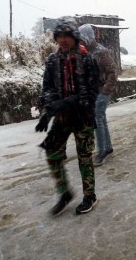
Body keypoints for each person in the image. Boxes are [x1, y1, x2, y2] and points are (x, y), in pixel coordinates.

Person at [35, 18, 98, 216]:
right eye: (59, 36)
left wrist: (64, 103)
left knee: (84, 158)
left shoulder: (87, 60)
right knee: (52, 153)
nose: (62, 40)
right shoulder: (53, 61)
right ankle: (64, 193)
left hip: (83, 117)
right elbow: (48, 88)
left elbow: (90, 93)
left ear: (74, 37)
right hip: (61, 118)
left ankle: (90, 196)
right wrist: (48, 111)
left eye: (66, 36)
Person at [78, 24, 118, 166]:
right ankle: (107, 147)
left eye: (82, 39)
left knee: (97, 119)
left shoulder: (101, 51)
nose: (80, 42)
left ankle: (101, 152)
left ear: (88, 37)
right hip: (95, 92)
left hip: (102, 92)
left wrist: (105, 90)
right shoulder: (86, 52)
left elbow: (113, 73)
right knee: (101, 118)